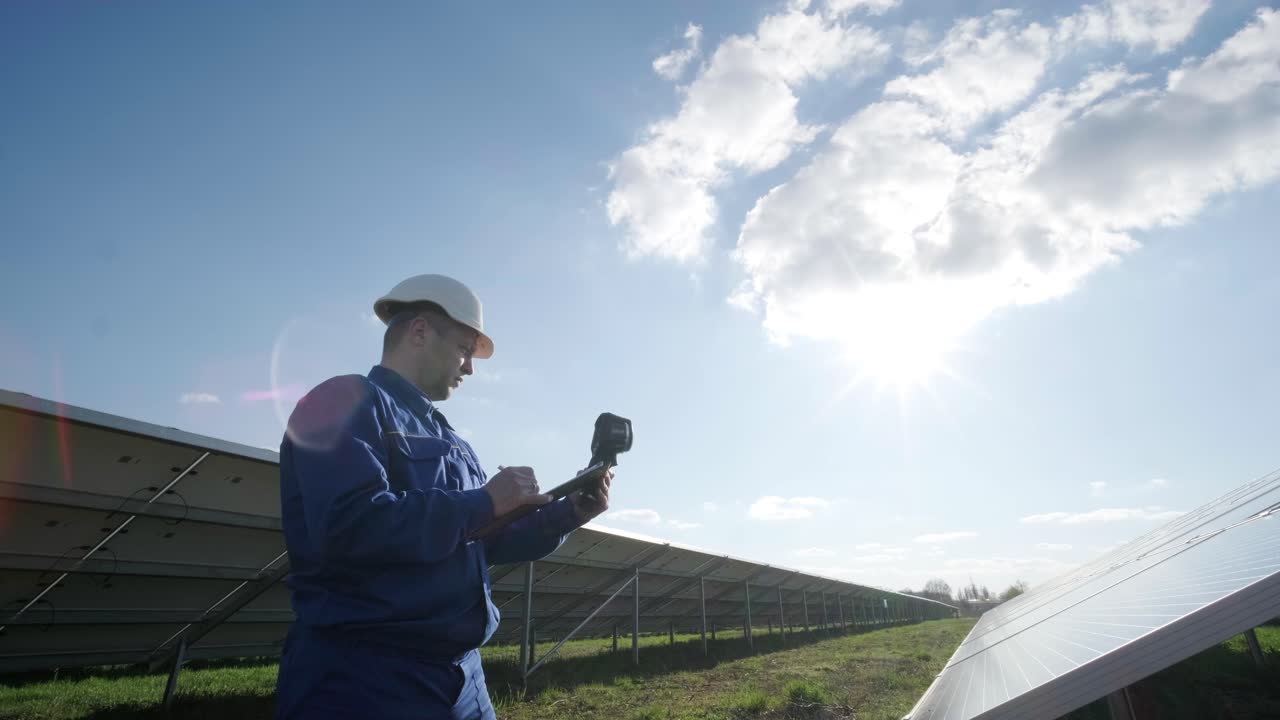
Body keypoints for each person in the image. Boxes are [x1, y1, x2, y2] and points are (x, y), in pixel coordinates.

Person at [273, 274, 611, 720]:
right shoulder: (344, 400)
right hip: (365, 679)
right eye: (465, 349)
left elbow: (485, 541)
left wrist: (568, 513)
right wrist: (484, 502)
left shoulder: (454, 441)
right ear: (419, 331)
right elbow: (351, 526)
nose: (470, 367)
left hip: (463, 679)